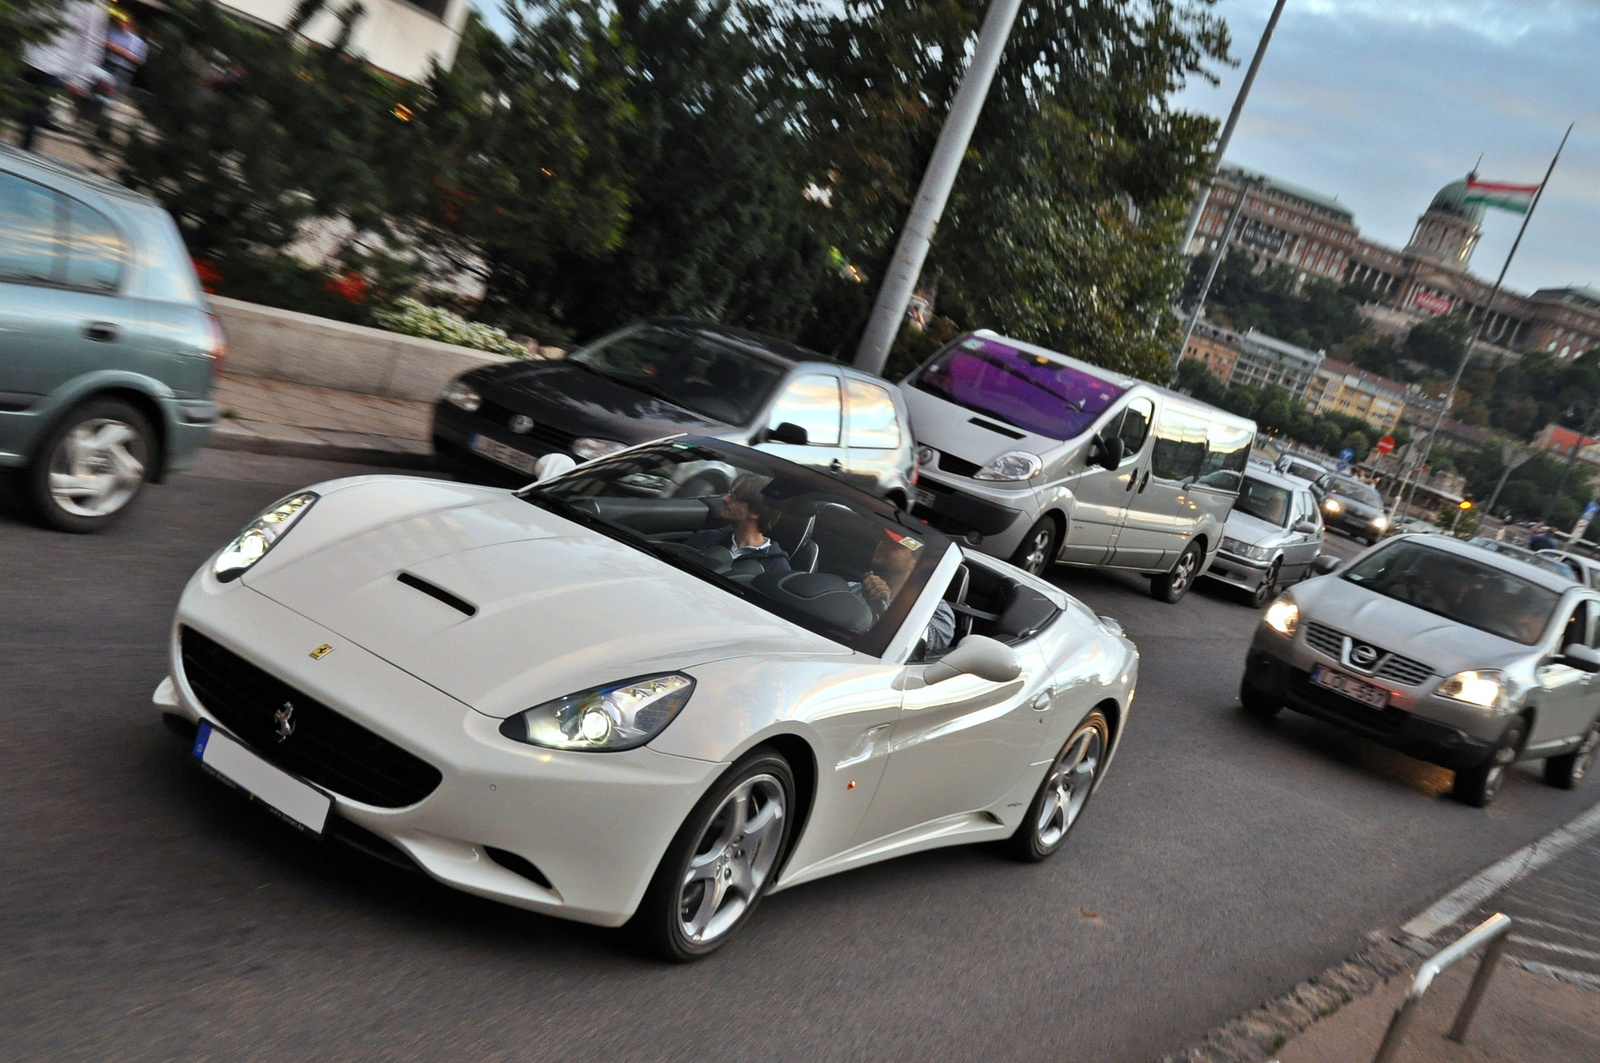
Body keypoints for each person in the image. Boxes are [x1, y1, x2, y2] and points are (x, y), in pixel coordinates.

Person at [16, 0, 109, 152]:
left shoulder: (94, 8)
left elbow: (92, 44)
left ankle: (24, 155)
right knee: (23, 111)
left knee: (34, 115)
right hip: (31, 56)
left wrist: (80, 80)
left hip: (55, 66)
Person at [849, 534, 957, 657]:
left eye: (894, 546)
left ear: (914, 564)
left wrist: (884, 609)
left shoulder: (934, 608)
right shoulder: (850, 589)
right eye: (884, 540)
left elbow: (920, 648)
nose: (883, 546)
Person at [686, 474, 791, 573]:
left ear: (755, 512)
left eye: (734, 496)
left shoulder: (777, 568)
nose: (724, 499)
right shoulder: (706, 538)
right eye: (729, 493)